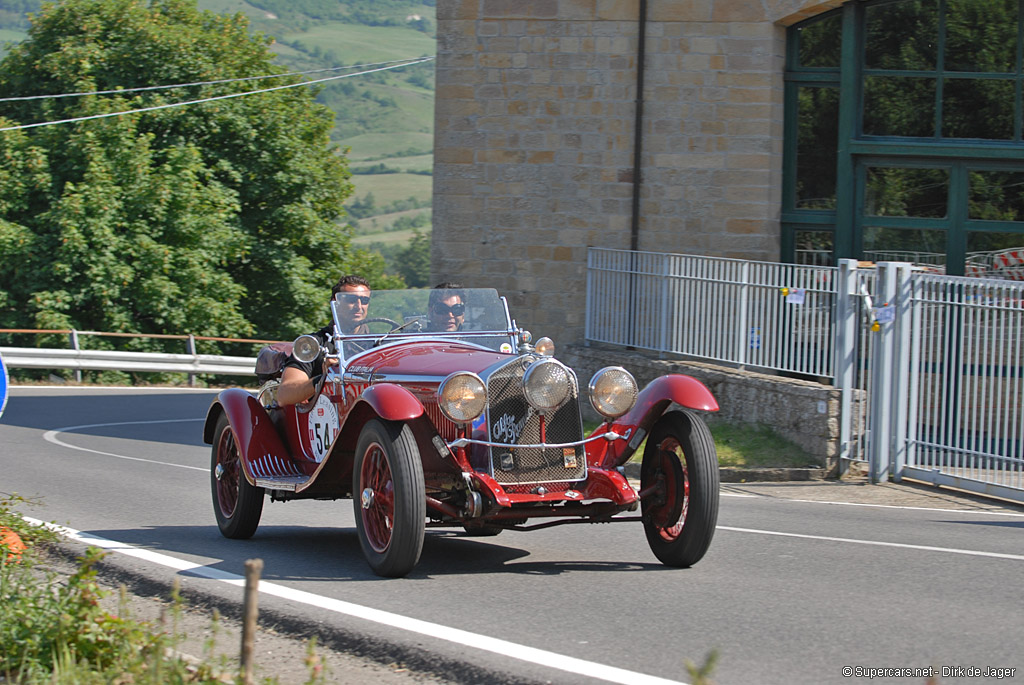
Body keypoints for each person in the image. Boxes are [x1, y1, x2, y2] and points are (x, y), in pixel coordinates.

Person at [277, 275, 370, 406]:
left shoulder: (380, 344)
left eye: (364, 300)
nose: (359, 306)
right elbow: (284, 395)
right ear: (335, 302)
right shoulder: (313, 344)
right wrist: (326, 377)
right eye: (351, 299)